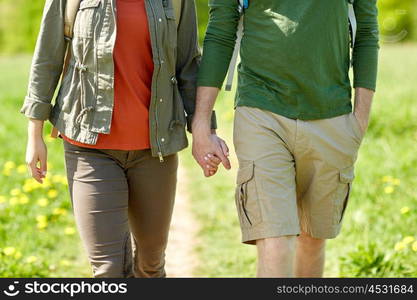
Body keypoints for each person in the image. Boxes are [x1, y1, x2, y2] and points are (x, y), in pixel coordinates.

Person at [20, 0, 217, 278]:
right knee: (107, 270)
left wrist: (206, 131)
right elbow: (46, 57)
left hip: (154, 149)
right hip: (89, 146)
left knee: (150, 265)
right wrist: (34, 133)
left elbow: (188, 65)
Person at [192, 0, 379, 277]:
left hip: (332, 115)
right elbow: (221, 31)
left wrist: (360, 120)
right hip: (261, 112)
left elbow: (366, 32)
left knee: (312, 241)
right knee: (275, 241)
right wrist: (201, 121)